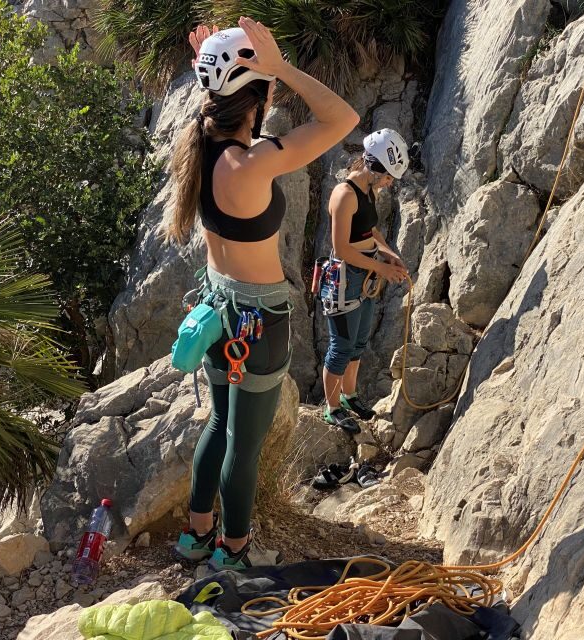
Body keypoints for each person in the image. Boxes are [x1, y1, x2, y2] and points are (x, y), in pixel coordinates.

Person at [167, 17, 359, 570]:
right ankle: (235, 552)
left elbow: (219, 102)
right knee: (242, 448)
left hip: (214, 306)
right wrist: (280, 67)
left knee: (219, 425)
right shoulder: (254, 164)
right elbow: (342, 118)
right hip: (258, 321)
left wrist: (216, 70)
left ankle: (197, 535)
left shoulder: (203, 146)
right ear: (259, 93)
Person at [319, 129, 411, 434]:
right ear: (374, 168)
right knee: (340, 346)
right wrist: (381, 268)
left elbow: (371, 233)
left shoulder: (369, 191)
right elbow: (342, 248)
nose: (389, 183)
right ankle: (332, 408)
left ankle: (349, 395)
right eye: (387, 177)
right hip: (346, 276)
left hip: (366, 273)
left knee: (358, 341)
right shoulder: (344, 195)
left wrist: (389, 255)